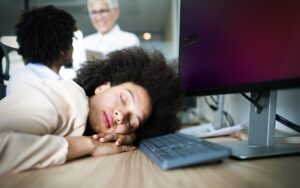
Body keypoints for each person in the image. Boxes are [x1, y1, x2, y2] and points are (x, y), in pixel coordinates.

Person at [0, 47, 184, 175]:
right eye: (123, 98)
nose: (121, 116)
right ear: (102, 87)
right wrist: (90, 145)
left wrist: (130, 136)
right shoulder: (63, 97)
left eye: (132, 121)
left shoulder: (87, 121)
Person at [6, 5, 77, 95]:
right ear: (62, 49)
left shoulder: (26, 76)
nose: (72, 48)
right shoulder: (27, 80)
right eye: (71, 40)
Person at [73, 0, 140, 69]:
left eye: (103, 11)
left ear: (116, 12)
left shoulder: (129, 40)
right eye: (94, 12)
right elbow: (78, 70)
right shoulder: (85, 43)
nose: (99, 17)